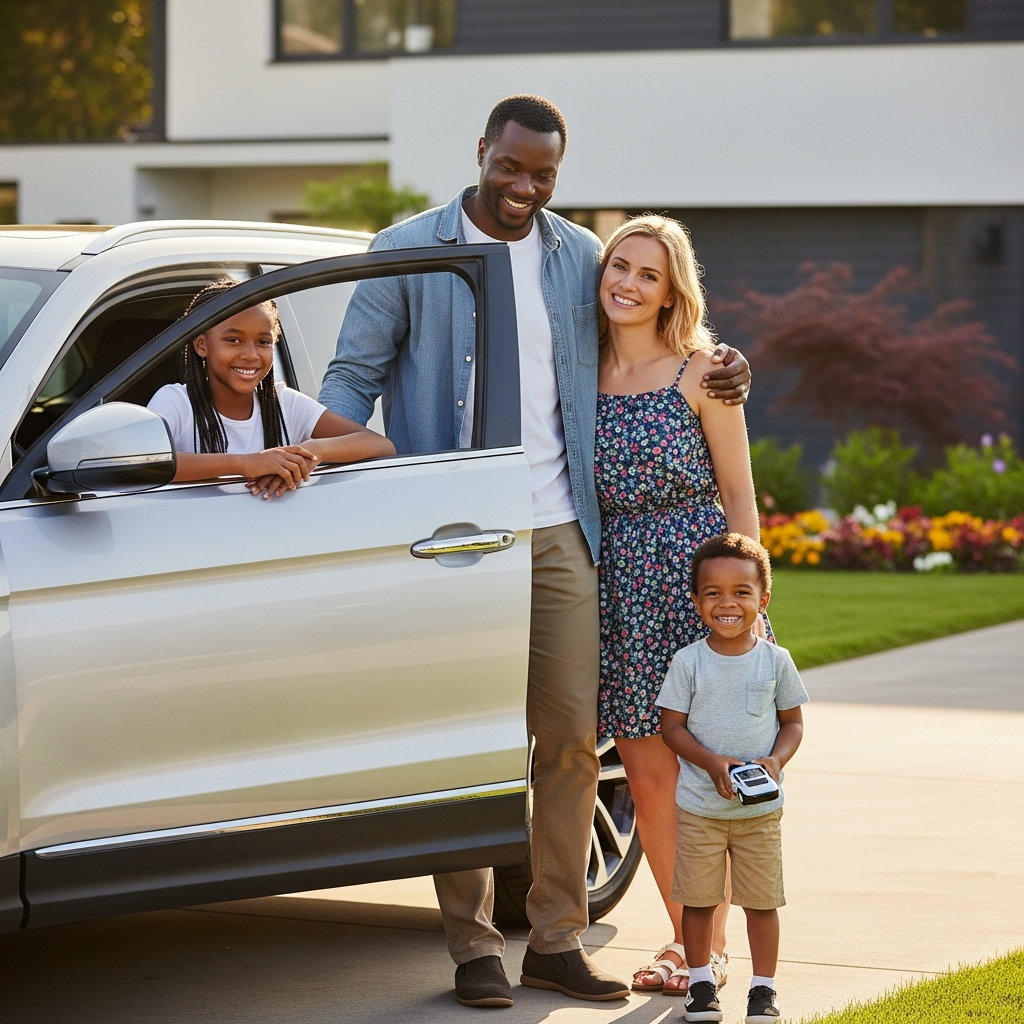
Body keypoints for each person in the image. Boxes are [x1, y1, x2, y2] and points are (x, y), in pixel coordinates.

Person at [318, 95, 752, 1008]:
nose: (523, 185)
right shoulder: (409, 249)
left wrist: (725, 365)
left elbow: (649, 330)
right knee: (469, 745)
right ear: (482, 150)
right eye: (509, 166)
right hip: (453, 534)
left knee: (568, 743)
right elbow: (352, 377)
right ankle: (473, 946)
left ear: (558, 173)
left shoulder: (579, 256)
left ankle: (555, 939)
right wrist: (317, 468)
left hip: (561, 530)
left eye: (542, 174)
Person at [594, 215, 771, 996]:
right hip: (621, 586)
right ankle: (684, 939)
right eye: (619, 266)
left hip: (700, 582)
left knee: (711, 773)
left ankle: (709, 949)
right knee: (647, 776)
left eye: (649, 275)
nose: (629, 284)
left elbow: (738, 492)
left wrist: (745, 601)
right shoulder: (581, 372)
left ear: (672, 293)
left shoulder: (703, 372)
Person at [657, 533, 807, 1023]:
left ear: (763, 600)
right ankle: (701, 985)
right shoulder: (688, 662)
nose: (727, 603)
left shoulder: (776, 661)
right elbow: (672, 729)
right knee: (699, 901)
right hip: (700, 808)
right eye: (713, 593)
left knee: (761, 903)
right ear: (696, 601)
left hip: (759, 812)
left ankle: (763, 990)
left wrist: (776, 761)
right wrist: (710, 762)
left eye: (741, 592)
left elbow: (793, 723)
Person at [149, 281, 393, 496]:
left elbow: (382, 446)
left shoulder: (285, 403)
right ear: (202, 345)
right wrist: (245, 464)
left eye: (263, 342)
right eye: (233, 340)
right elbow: (148, 463)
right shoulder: (175, 401)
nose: (251, 355)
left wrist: (309, 451)